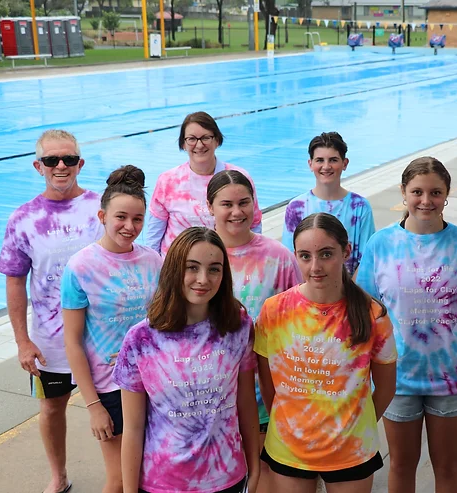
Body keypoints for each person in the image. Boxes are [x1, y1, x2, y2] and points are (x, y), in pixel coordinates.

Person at [356, 157, 457, 493]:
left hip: (451, 375)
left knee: (447, 465)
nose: (426, 200)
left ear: (447, 195)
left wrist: (443, 333)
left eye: (435, 192)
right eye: (417, 191)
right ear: (404, 193)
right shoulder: (382, 245)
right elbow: (370, 309)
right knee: (401, 465)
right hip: (397, 377)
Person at [254, 213, 397, 493]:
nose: (315, 266)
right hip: (288, 449)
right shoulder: (274, 311)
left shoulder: (373, 316)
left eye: (326, 254)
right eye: (305, 256)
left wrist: (354, 425)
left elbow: (387, 387)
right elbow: (267, 384)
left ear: (346, 251)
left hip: (351, 451)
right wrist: (290, 425)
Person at [113, 227, 259, 493]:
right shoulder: (141, 339)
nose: (203, 279)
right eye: (192, 267)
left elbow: (246, 403)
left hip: (227, 478)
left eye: (214, 269)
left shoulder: (238, 328)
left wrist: (255, 467)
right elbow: (133, 428)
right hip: (162, 483)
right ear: (174, 270)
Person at [0, 129, 103, 493]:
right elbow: (14, 281)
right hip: (50, 343)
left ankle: (124, 477)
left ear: (80, 163)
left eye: (69, 159)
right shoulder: (23, 218)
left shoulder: (103, 208)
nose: (61, 166)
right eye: (51, 160)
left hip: (104, 338)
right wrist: (22, 341)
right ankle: (58, 475)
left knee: (119, 411)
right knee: (52, 409)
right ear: (37, 166)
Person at [62, 165, 163, 493]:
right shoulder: (80, 267)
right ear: (102, 216)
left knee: (151, 473)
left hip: (155, 382)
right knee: (120, 480)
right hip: (110, 389)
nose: (129, 226)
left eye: (138, 219)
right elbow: (73, 342)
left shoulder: (154, 261)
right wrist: (93, 407)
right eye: (121, 217)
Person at [207, 169, 302, 493]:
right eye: (226, 204)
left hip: (264, 392)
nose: (237, 212)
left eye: (244, 202)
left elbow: (300, 324)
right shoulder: (197, 256)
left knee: (262, 476)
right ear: (210, 208)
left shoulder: (278, 258)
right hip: (208, 397)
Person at [145, 111, 263, 256]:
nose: (199, 145)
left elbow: (254, 225)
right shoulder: (167, 181)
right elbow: (154, 236)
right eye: (192, 139)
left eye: (206, 137)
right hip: (177, 268)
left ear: (217, 140)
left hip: (227, 265)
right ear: (183, 143)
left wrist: (252, 258)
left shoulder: (238, 178)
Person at [281, 132, 375, 274]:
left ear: (345, 163)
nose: (326, 166)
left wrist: (349, 292)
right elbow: (291, 260)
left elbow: (366, 260)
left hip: (349, 290)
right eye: (319, 160)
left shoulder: (360, 207)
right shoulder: (296, 208)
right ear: (310, 164)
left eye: (333, 160)